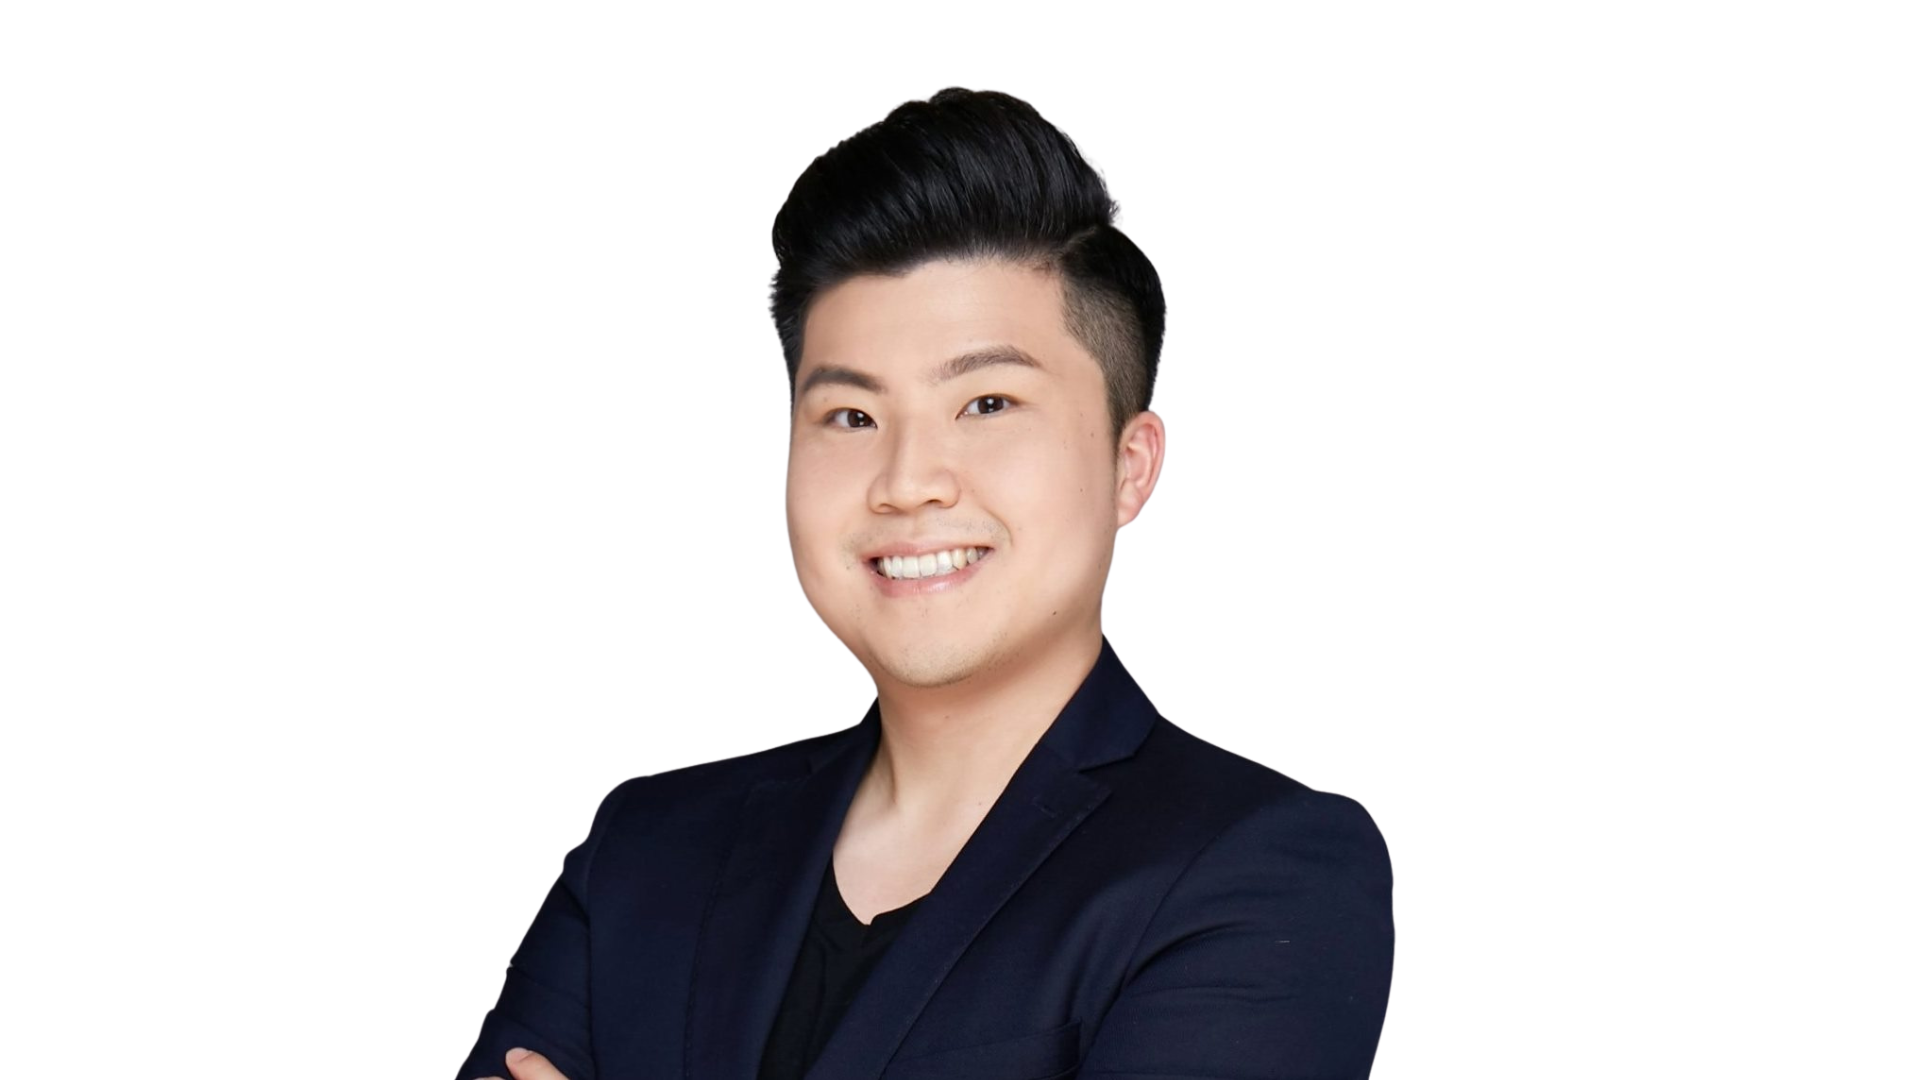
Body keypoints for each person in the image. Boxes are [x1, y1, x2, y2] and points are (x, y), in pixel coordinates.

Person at [458, 87, 1394, 1080]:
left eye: (986, 403)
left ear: (1130, 466)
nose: (907, 482)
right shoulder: (646, 853)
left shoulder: (1258, 868)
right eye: (852, 417)